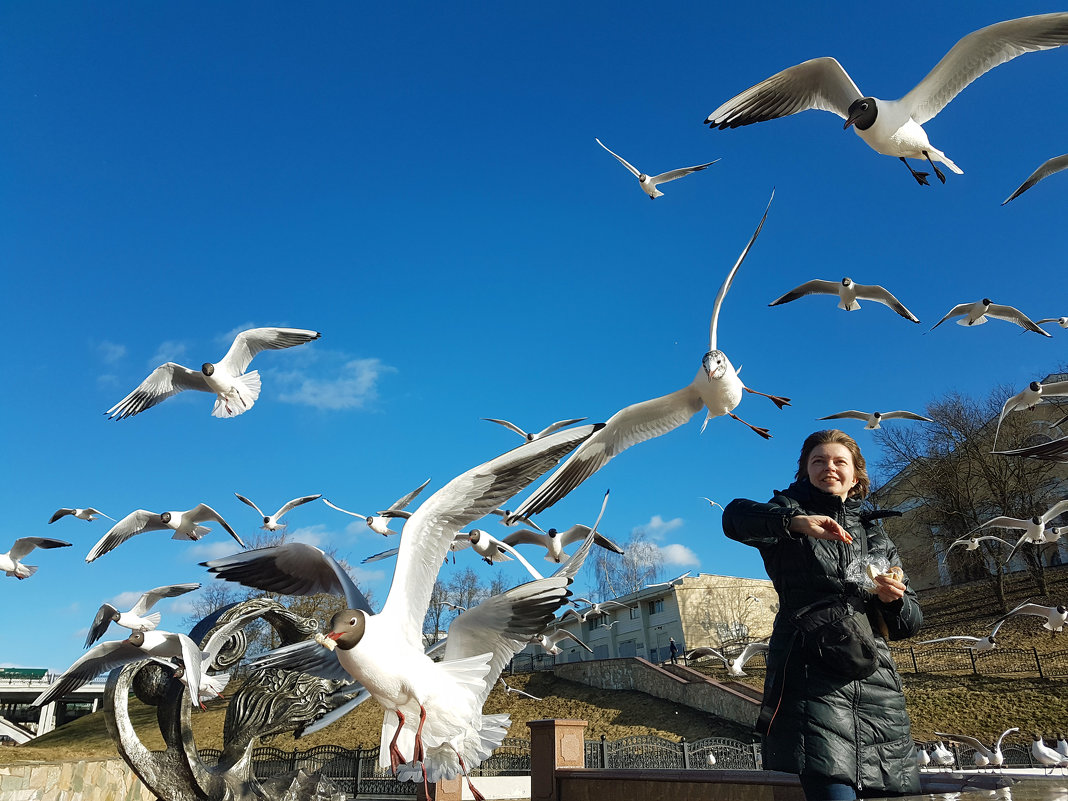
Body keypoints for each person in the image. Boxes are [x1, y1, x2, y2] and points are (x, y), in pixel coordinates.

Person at [722, 429, 922, 801]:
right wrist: (794, 523)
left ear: (856, 476)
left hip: (877, 684)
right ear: (805, 473)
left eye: (838, 461)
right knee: (833, 792)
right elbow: (734, 517)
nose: (828, 467)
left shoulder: (876, 535)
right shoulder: (787, 516)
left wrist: (894, 600)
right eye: (818, 461)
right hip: (811, 679)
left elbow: (910, 622)